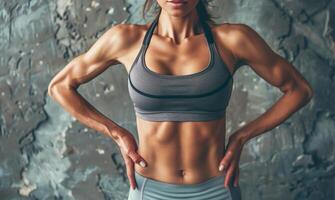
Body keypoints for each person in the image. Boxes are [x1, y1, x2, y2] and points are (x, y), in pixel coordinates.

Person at [47, 0, 313, 199]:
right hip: (149, 190)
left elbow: (299, 89)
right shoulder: (126, 39)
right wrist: (116, 134)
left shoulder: (233, 39)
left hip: (216, 190)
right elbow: (60, 86)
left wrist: (241, 136)